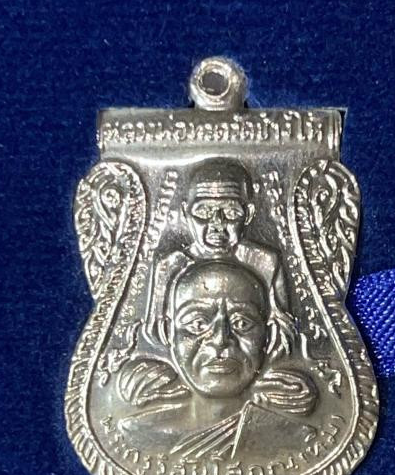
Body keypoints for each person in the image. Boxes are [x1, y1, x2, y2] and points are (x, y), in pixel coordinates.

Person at [117, 260, 316, 458]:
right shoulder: (137, 433)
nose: (220, 339)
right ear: (169, 333)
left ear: (269, 336)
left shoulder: (296, 438)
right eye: (198, 323)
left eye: (241, 323)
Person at [143, 158, 292, 350]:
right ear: (185, 212)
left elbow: (283, 334)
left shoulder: (264, 262)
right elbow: (157, 335)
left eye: (231, 212)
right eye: (204, 212)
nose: (217, 224)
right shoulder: (170, 266)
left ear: (248, 214)